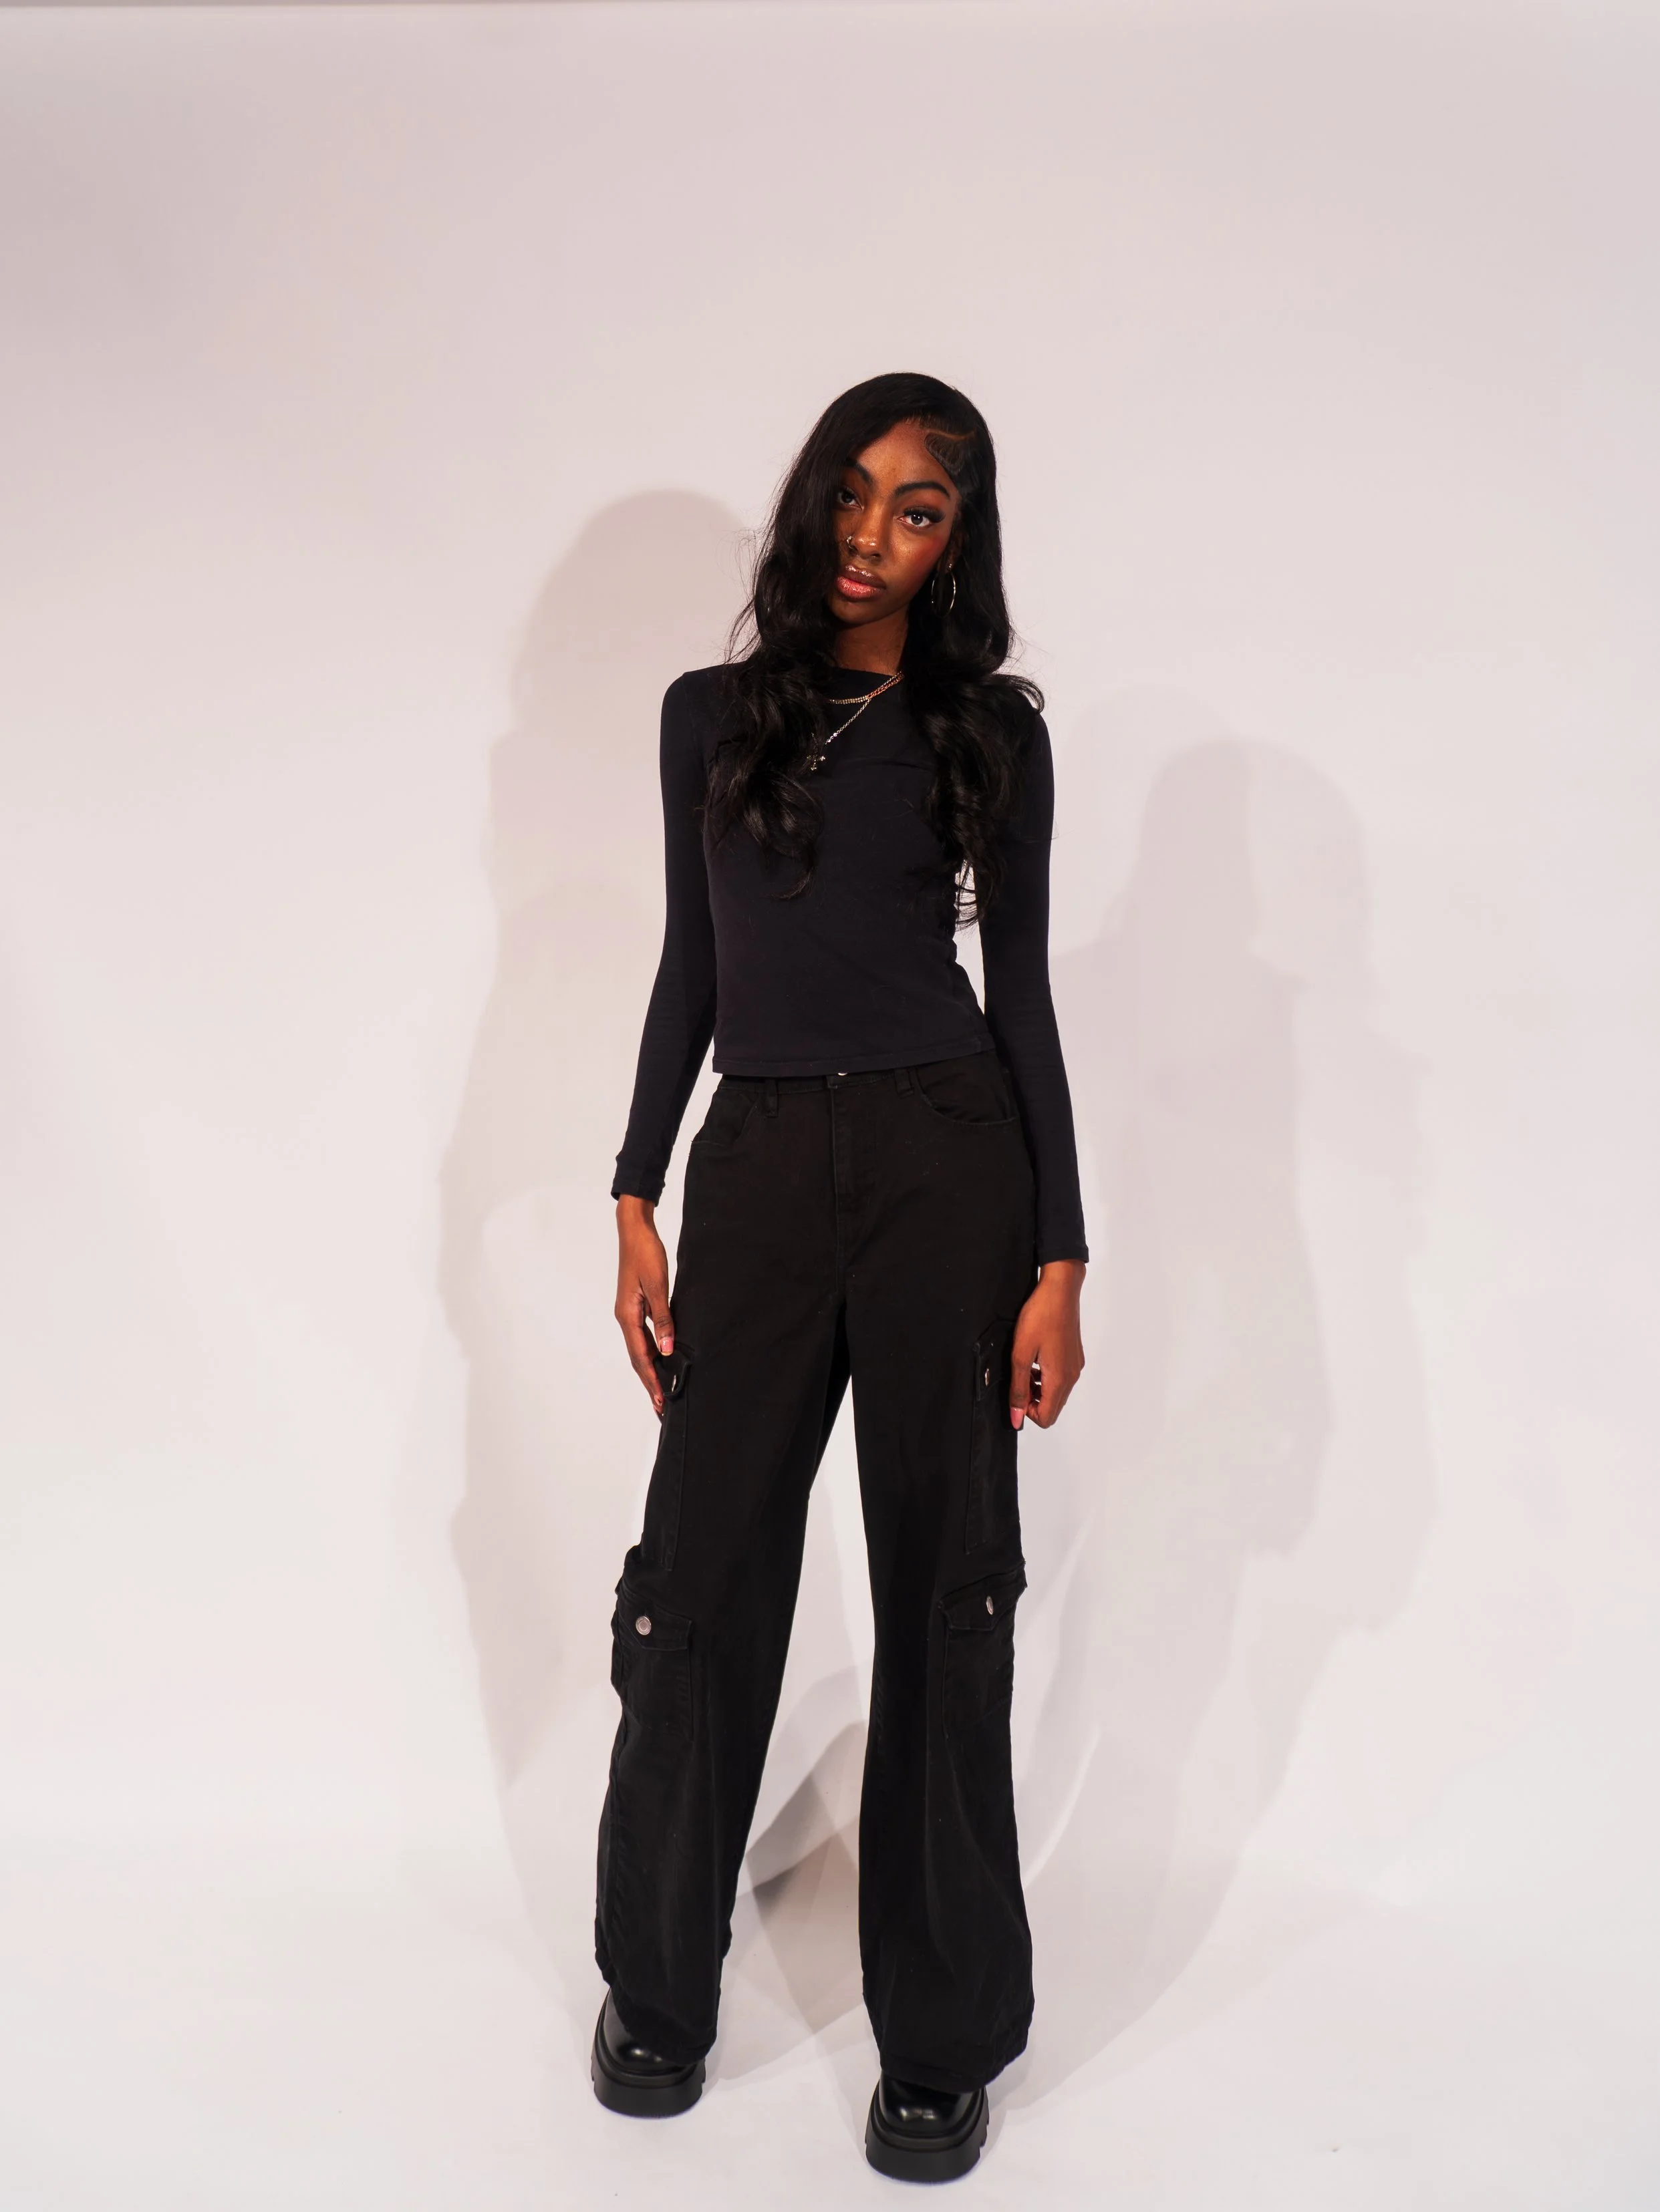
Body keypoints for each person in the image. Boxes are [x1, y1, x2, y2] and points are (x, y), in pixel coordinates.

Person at [591, 371, 1087, 2182]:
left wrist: (1059, 1249)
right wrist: (636, 1183)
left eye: (920, 508)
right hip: (762, 1162)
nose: (875, 535)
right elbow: (687, 967)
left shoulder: (987, 734)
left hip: (949, 1165)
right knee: (700, 1576)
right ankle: (654, 1983)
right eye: (855, 496)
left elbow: (1019, 992)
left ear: (956, 542)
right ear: (809, 504)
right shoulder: (705, 717)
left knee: (944, 1587)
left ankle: (939, 2035)